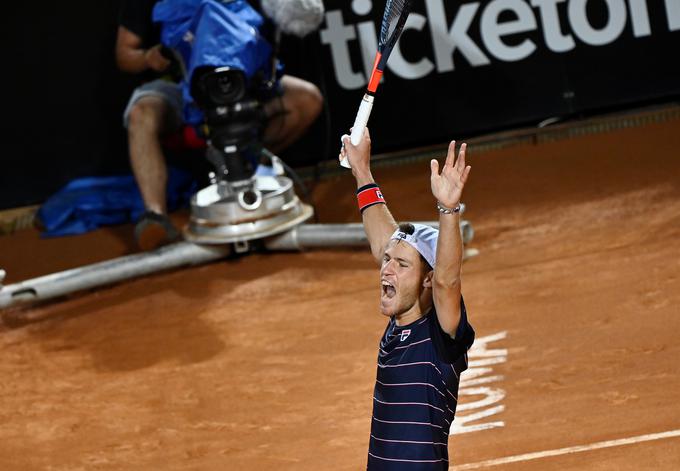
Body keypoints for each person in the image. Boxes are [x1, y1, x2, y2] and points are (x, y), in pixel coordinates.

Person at [116, 0, 322, 250]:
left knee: (306, 99)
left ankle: (251, 165)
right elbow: (124, 54)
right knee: (141, 114)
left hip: (244, 83)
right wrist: (149, 58)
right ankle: (156, 217)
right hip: (181, 87)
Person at [340, 129, 475, 470]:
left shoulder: (439, 336)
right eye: (387, 261)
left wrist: (448, 209)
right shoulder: (399, 318)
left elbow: (447, 280)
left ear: (427, 279)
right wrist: (362, 172)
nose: (387, 269)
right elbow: (383, 241)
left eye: (401, 265)